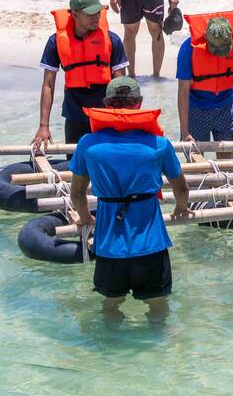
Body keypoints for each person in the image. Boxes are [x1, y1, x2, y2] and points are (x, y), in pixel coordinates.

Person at [69, 77, 190, 321]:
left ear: (106, 105)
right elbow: (181, 187)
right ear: (139, 104)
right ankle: (159, 355)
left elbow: (77, 192)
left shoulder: (88, 144)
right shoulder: (159, 144)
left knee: (110, 308)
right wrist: (181, 208)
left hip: (109, 246)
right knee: (157, 309)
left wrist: (85, 217)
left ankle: (109, 356)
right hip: (151, 243)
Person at [32, 0, 129, 150]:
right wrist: (44, 126)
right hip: (74, 116)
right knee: (75, 167)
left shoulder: (112, 40)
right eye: (90, 14)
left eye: (98, 12)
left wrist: (122, 124)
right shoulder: (55, 42)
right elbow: (48, 85)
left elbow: (120, 86)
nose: (96, 17)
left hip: (105, 116)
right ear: (75, 15)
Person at [176, 12, 233, 159]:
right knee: (194, 160)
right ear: (205, 36)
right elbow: (183, 92)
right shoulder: (188, 48)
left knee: (226, 160)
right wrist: (185, 132)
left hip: (226, 107)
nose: (219, 55)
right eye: (216, 50)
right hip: (195, 110)